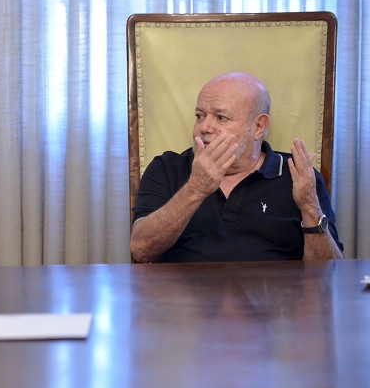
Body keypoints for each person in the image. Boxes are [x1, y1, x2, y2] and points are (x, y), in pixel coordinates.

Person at [130, 72, 343, 263]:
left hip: (273, 294)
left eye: (221, 118)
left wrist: (309, 207)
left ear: (258, 126)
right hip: (182, 294)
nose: (204, 127)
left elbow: (329, 272)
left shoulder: (298, 175)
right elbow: (141, 250)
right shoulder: (167, 168)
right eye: (200, 116)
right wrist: (195, 189)